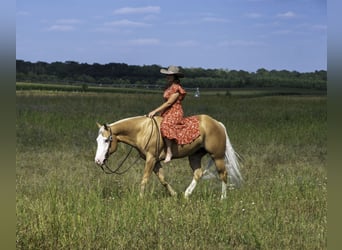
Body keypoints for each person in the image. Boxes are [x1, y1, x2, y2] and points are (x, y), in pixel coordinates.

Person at [148, 66, 200, 163]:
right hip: (167, 111)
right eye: (167, 75)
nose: (167, 77)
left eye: (170, 75)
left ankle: (169, 151)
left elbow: (169, 103)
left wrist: (155, 111)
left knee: (166, 125)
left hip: (175, 111)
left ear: (175, 77)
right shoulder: (169, 87)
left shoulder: (176, 88)